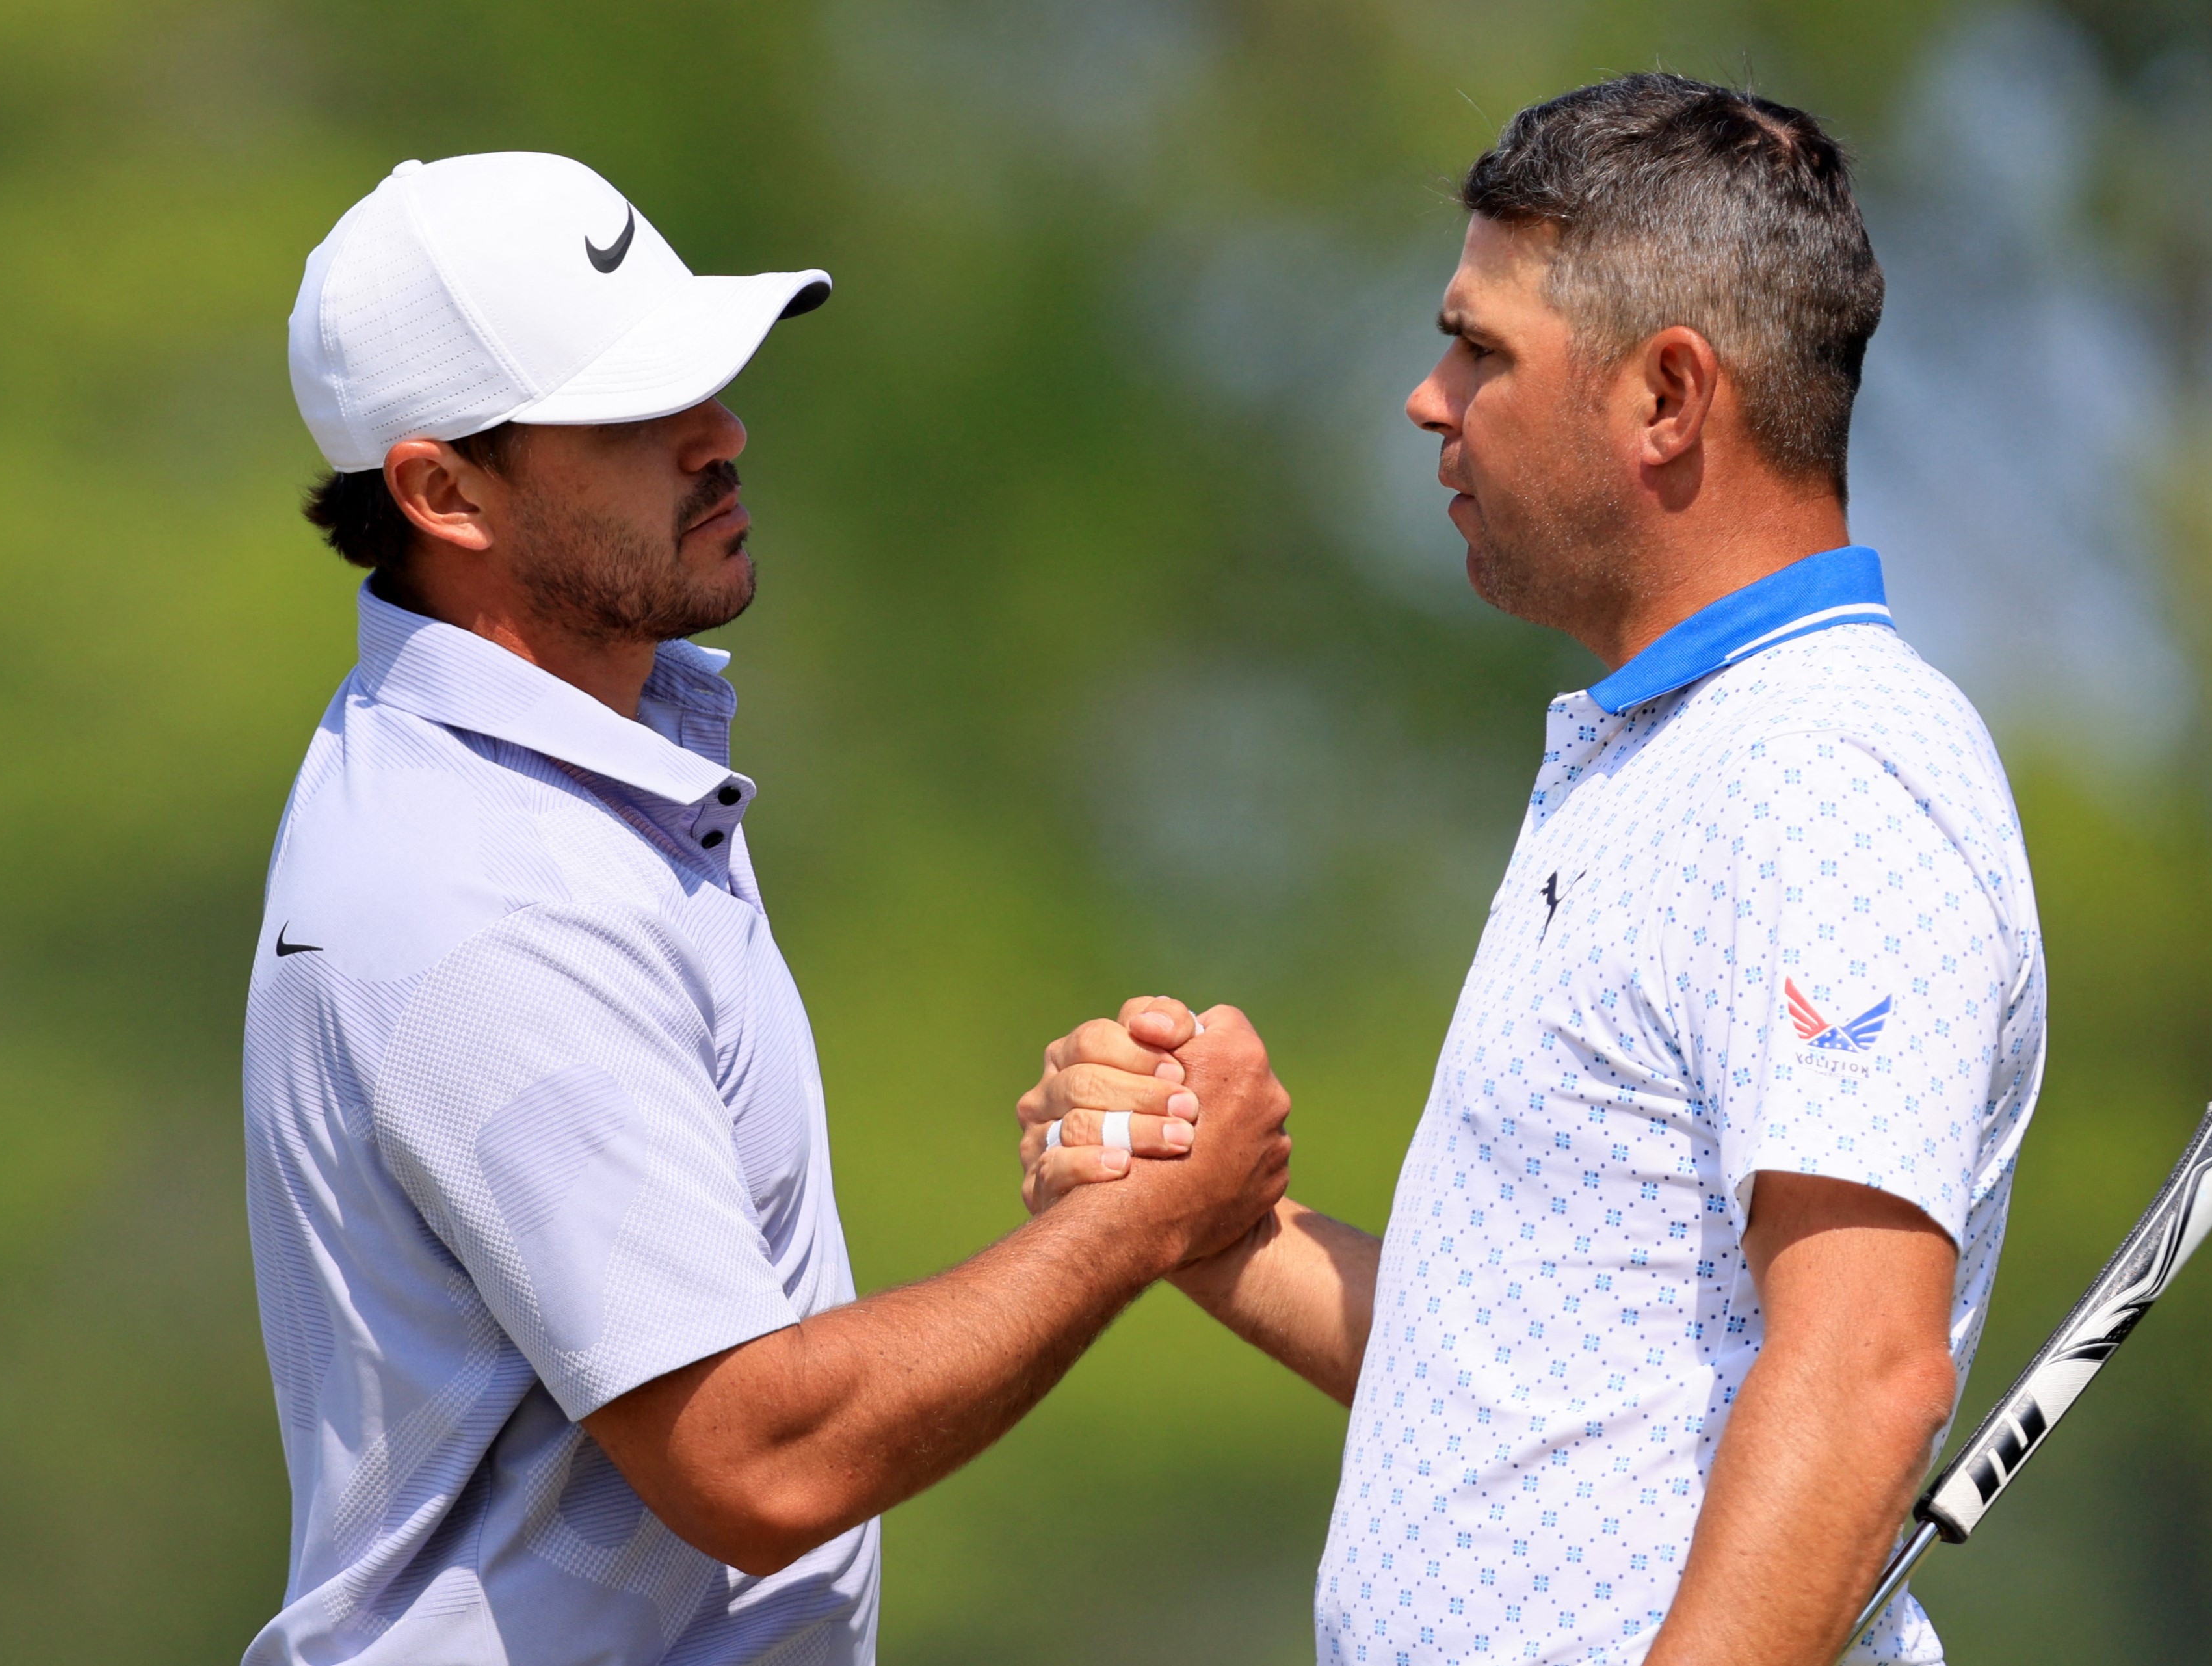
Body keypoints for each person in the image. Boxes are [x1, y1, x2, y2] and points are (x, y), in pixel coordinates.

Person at [1023, 75, 2045, 1665]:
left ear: (1667, 398)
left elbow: (1864, 1372)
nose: (1428, 401)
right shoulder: (1664, 761)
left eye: (1481, 350)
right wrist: (1204, 1226)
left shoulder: (1830, 768)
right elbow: (1519, 1380)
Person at [240, 151, 1288, 1666]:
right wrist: (1134, 1226)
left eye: (706, 379)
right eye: (631, 413)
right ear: (442, 491)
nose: (720, 433)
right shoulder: (496, 893)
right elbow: (756, 1457)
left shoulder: (528, 773)